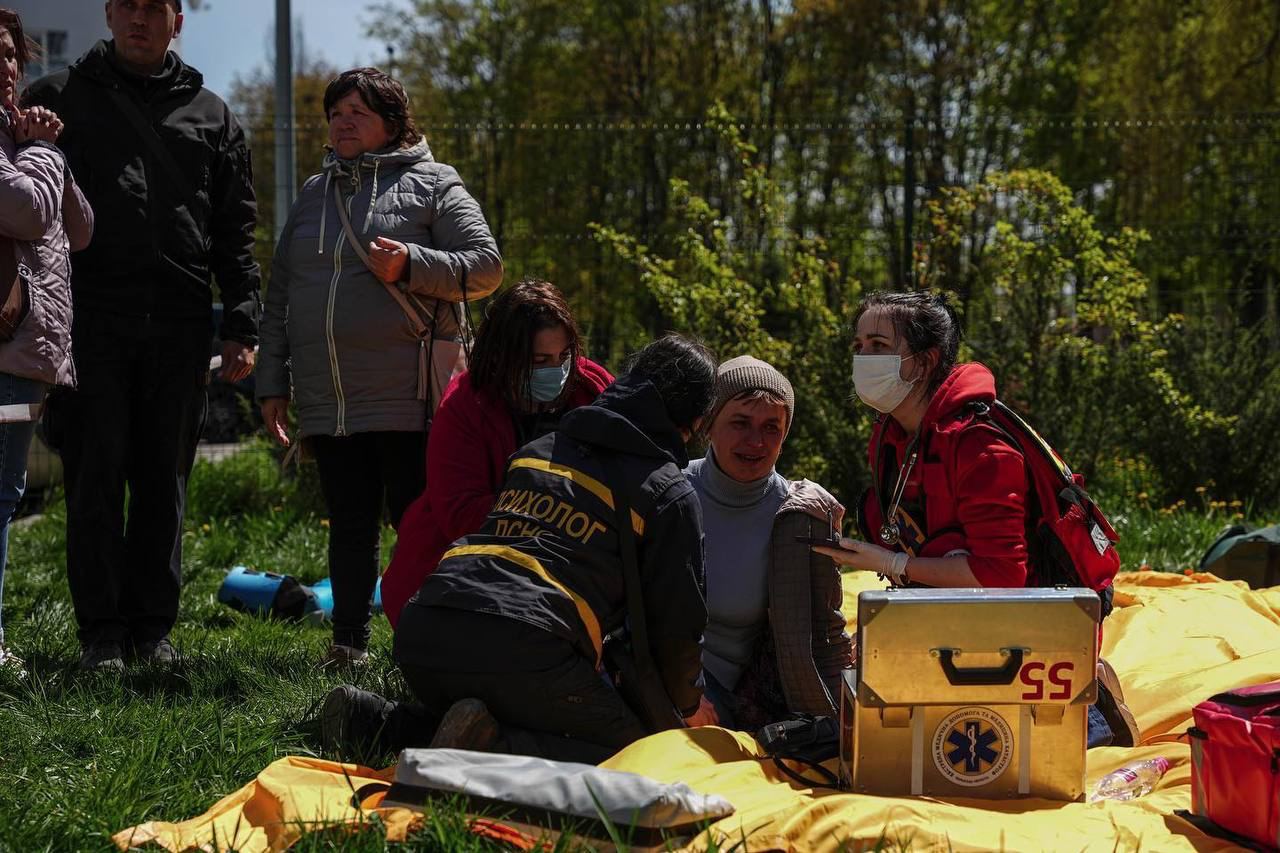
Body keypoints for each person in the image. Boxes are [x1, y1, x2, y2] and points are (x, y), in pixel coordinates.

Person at [326, 335, 718, 765]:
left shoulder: (539, 451)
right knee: (633, 755)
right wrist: (685, 706)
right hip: (526, 647)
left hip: (426, 630)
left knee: (518, 707)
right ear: (695, 423)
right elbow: (676, 626)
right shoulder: (667, 491)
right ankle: (488, 746)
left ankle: (376, 721)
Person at [23, 0, 259, 670]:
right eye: (126, 4)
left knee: (165, 482)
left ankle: (153, 632)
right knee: (93, 478)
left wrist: (242, 322)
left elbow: (234, 232)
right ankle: (101, 633)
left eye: (153, 7)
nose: (139, 17)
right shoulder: (59, 98)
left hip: (180, 325)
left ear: (176, 20)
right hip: (88, 322)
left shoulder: (213, 116)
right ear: (107, 14)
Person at [814, 290, 1139, 747]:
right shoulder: (891, 434)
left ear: (923, 362)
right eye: (859, 346)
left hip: (1034, 617)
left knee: (989, 746)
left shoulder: (981, 446)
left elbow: (1002, 576)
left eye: (880, 347)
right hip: (959, 605)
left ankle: (1093, 709)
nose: (863, 359)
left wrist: (889, 564)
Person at [256, 67, 503, 667]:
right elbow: (281, 295)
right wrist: (272, 382)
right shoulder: (314, 195)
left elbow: (486, 266)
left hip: (410, 396)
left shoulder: (433, 184)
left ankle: (428, 643)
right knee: (349, 523)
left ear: (392, 124)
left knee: (417, 522)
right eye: (336, 111)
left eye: (357, 111)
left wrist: (413, 264)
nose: (342, 120)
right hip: (331, 399)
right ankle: (348, 644)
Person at [379, 279, 613, 629]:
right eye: (540, 360)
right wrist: (556, 515)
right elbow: (459, 513)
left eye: (563, 356)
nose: (557, 370)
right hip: (477, 560)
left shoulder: (592, 388)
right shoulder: (465, 405)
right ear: (505, 357)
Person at [686, 356, 851, 731]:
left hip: (752, 701)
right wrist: (683, 696)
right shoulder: (669, 494)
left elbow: (827, 632)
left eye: (771, 428)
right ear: (709, 425)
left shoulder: (803, 514)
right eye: (740, 423)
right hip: (669, 690)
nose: (755, 441)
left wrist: (847, 723)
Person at [0, 9, 93, 672]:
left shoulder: (20, 136)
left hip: (21, 354)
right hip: (5, 350)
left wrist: (45, 150)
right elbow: (30, 211)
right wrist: (43, 153)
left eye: (8, 54)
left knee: (4, 491)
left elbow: (80, 226)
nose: (3, 66)